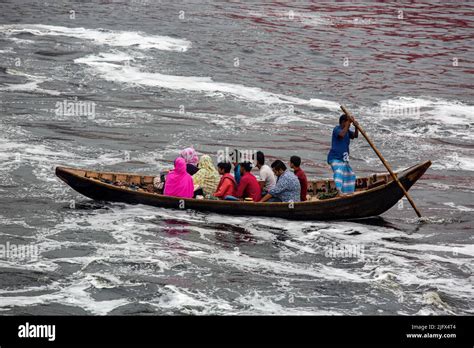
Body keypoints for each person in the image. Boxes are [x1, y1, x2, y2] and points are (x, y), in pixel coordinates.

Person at [327, 114, 359, 195]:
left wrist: (356, 127)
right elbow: (341, 135)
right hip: (335, 158)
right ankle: (339, 191)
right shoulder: (337, 129)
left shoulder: (347, 131)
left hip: (343, 159)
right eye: (347, 122)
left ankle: (347, 192)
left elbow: (355, 136)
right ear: (343, 122)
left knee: (351, 175)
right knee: (339, 171)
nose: (349, 125)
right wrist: (348, 123)